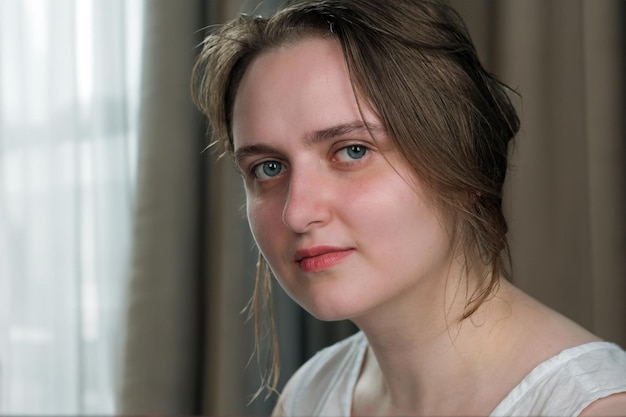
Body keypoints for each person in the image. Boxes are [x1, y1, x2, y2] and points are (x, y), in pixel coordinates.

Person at [191, 0, 626, 415]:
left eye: (353, 151)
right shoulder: (311, 394)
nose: (297, 213)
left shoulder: (598, 408)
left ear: (462, 159)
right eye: (268, 167)